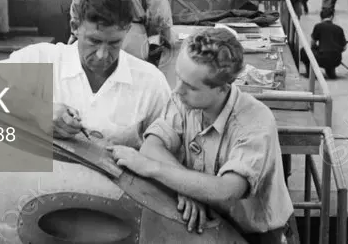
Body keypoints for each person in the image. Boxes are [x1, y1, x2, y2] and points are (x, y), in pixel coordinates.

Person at [109, 28, 295, 243]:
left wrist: (149, 168)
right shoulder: (184, 100)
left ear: (222, 88)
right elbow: (152, 146)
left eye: (190, 86)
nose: (177, 90)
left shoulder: (255, 122)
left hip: (255, 235)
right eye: (178, 77)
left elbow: (227, 190)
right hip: (207, 223)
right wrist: (187, 188)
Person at [0, 0, 171, 148]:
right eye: (93, 41)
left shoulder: (150, 82)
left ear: (127, 31)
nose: (102, 55)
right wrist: (38, 110)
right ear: (75, 27)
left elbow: (168, 148)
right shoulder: (44, 59)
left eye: (114, 43)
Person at [303, 7, 347, 79]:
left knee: (304, 51)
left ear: (321, 17)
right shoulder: (339, 28)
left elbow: (313, 43)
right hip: (336, 59)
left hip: (322, 58)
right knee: (330, 53)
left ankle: (310, 73)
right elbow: (344, 47)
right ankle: (330, 71)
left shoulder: (318, 26)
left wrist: (317, 47)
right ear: (332, 16)